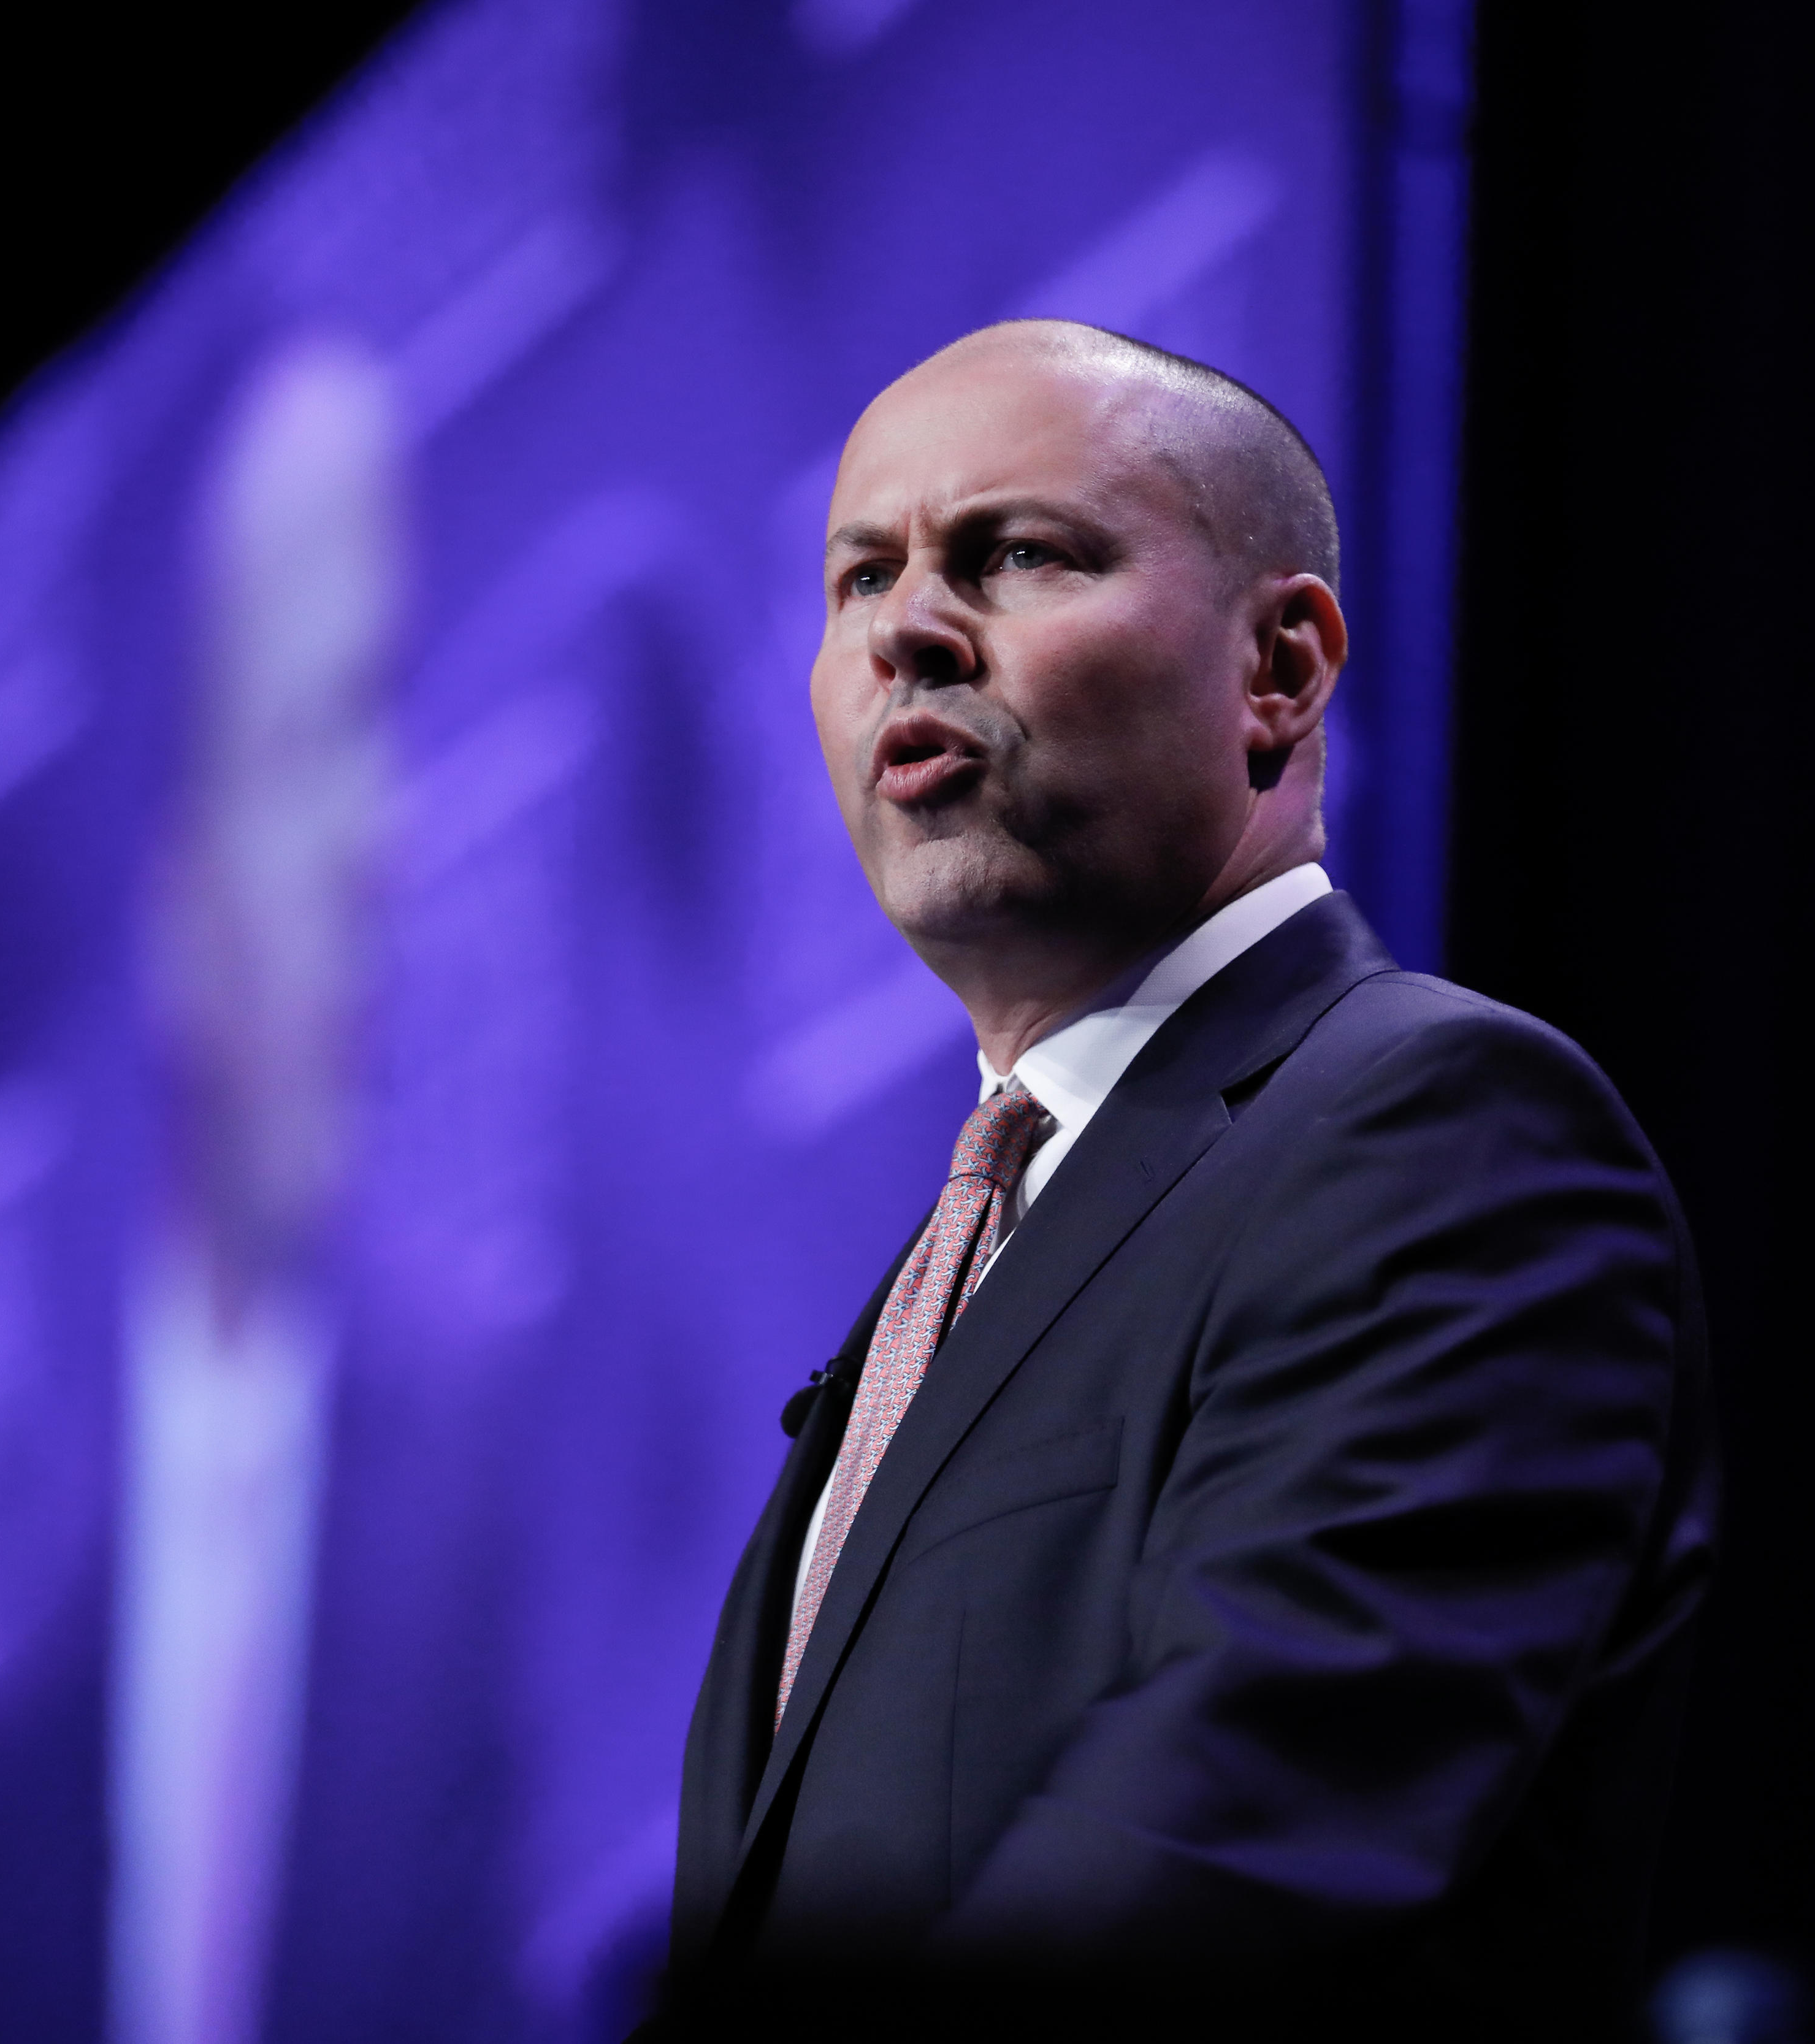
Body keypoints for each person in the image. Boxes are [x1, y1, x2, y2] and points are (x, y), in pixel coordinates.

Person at [661, 321, 1716, 2038]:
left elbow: (1236, 1839)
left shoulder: (1438, 1130)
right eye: (861, 579)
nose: (908, 631)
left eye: (1014, 554)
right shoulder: (952, 1272)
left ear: (1281, 670)